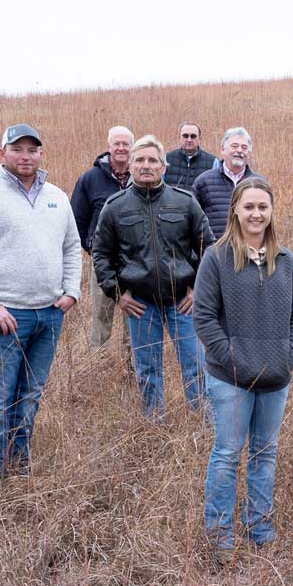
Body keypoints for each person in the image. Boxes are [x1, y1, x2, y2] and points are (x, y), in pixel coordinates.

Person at [0, 124, 81, 483]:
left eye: (32, 149)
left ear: (41, 154)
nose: (26, 156)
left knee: (30, 395)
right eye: (18, 149)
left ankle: (18, 466)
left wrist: (71, 291)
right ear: (2, 153)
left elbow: (72, 246)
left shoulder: (57, 197)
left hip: (49, 314)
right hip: (3, 316)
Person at [193, 177, 293, 562]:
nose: (256, 214)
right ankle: (220, 536)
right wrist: (232, 358)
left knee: (265, 453)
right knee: (227, 453)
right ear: (236, 212)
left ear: (272, 212)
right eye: (249, 207)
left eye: (263, 207)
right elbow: (205, 316)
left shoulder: (286, 260)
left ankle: (259, 529)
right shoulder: (217, 257)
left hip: (276, 376)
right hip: (231, 378)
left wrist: (287, 357)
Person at [92, 135, 215, 418]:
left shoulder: (184, 203)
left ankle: (202, 423)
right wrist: (117, 292)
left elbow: (209, 247)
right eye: (140, 160)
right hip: (140, 304)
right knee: (147, 368)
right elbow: (101, 255)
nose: (146, 165)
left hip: (182, 302)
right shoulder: (115, 206)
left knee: (195, 363)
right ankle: (154, 424)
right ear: (131, 166)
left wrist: (196, 288)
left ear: (163, 166)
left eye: (152, 160)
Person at [70, 125, 134, 352]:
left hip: (136, 262)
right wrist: (92, 247)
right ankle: (98, 367)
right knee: (101, 316)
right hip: (102, 261)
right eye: (116, 143)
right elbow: (76, 220)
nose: (121, 148)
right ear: (108, 147)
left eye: (126, 144)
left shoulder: (140, 177)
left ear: (132, 147)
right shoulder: (90, 179)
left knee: (135, 317)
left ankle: (133, 370)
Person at [193, 127, 265, 237]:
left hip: (250, 250)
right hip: (214, 251)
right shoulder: (204, 181)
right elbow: (193, 221)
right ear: (222, 149)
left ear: (249, 154)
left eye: (244, 147)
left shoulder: (260, 183)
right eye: (234, 146)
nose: (239, 151)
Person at [165, 122, 216, 191]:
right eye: (185, 136)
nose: (189, 140)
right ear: (179, 137)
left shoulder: (213, 162)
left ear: (199, 139)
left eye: (193, 136)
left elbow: (215, 191)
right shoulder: (166, 159)